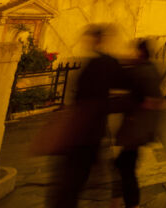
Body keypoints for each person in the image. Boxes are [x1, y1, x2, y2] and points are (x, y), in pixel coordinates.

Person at [48, 24, 128, 208]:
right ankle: (114, 198)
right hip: (88, 131)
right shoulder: (104, 62)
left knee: (72, 182)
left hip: (83, 131)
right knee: (79, 179)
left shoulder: (99, 63)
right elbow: (126, 91)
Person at [111, 39, 163, 208]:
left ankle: (129, 203)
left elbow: (148, 100)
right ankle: (119, 200)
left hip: (135, 130)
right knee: (124, 165)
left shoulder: (142, 72)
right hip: (140, 130)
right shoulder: (150, 69)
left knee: (125, 167)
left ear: (140, 52)